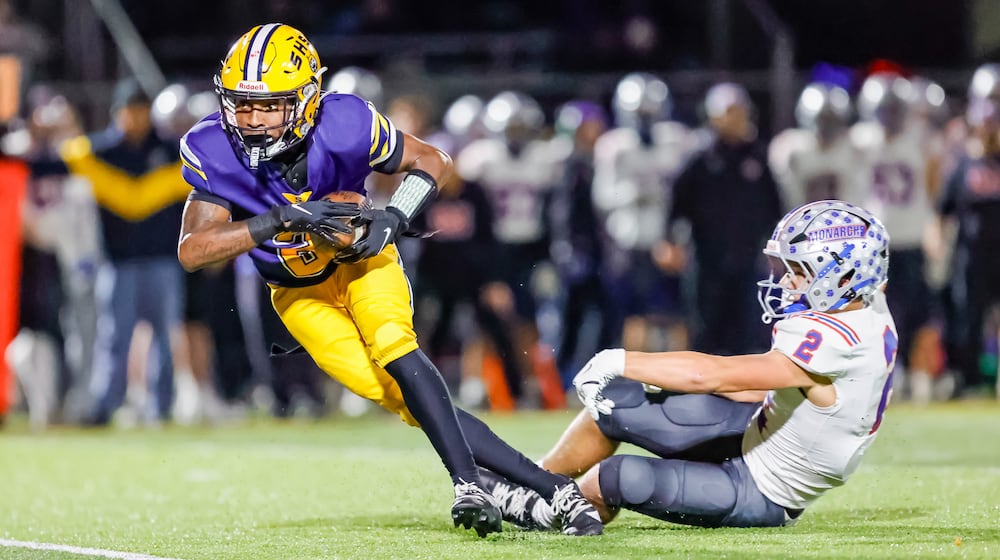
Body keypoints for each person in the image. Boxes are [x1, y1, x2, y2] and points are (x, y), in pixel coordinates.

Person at [175, 23, 601, 537]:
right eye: (242, 103)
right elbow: (194, 251)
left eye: (269, 106)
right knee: (405, 399)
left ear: (308, 99)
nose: (251, 119)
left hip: (360, 261)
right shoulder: (213, 145)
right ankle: (545, 488)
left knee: (395, 346)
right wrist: (282, 219)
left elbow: (433, 160)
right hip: (297, 293)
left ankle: (473, 483)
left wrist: (395, 216)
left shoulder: (345, 120)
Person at [482, 200, 896, 531]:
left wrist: (619, 358)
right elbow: (753, 386)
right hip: (757, 428)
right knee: (616, 401)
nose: (787, 281)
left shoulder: (836, 337)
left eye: (800, 272)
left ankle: (533, 510)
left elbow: (713, 374)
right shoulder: (866, 304)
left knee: (615, 479)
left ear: (842, 279)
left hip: (763, 489)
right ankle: (532, 480)